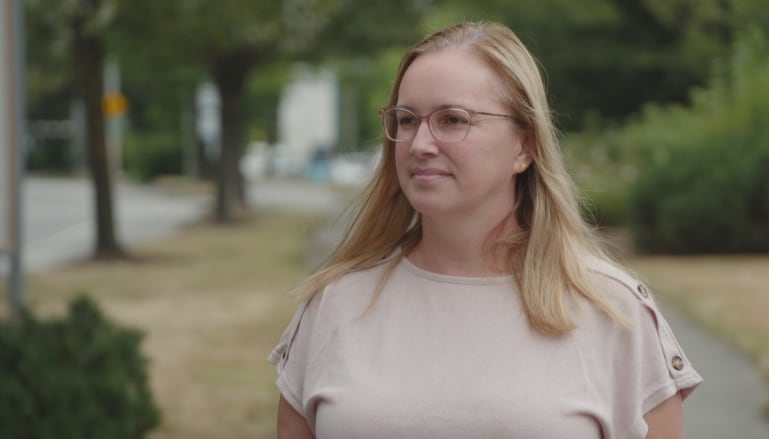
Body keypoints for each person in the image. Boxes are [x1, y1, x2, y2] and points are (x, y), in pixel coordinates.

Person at [269, 21, 701, 439]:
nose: (420, 144)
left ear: (525, 146)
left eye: (453, 120)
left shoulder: (613, 311)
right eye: (406, 120)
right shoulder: (333, 304)